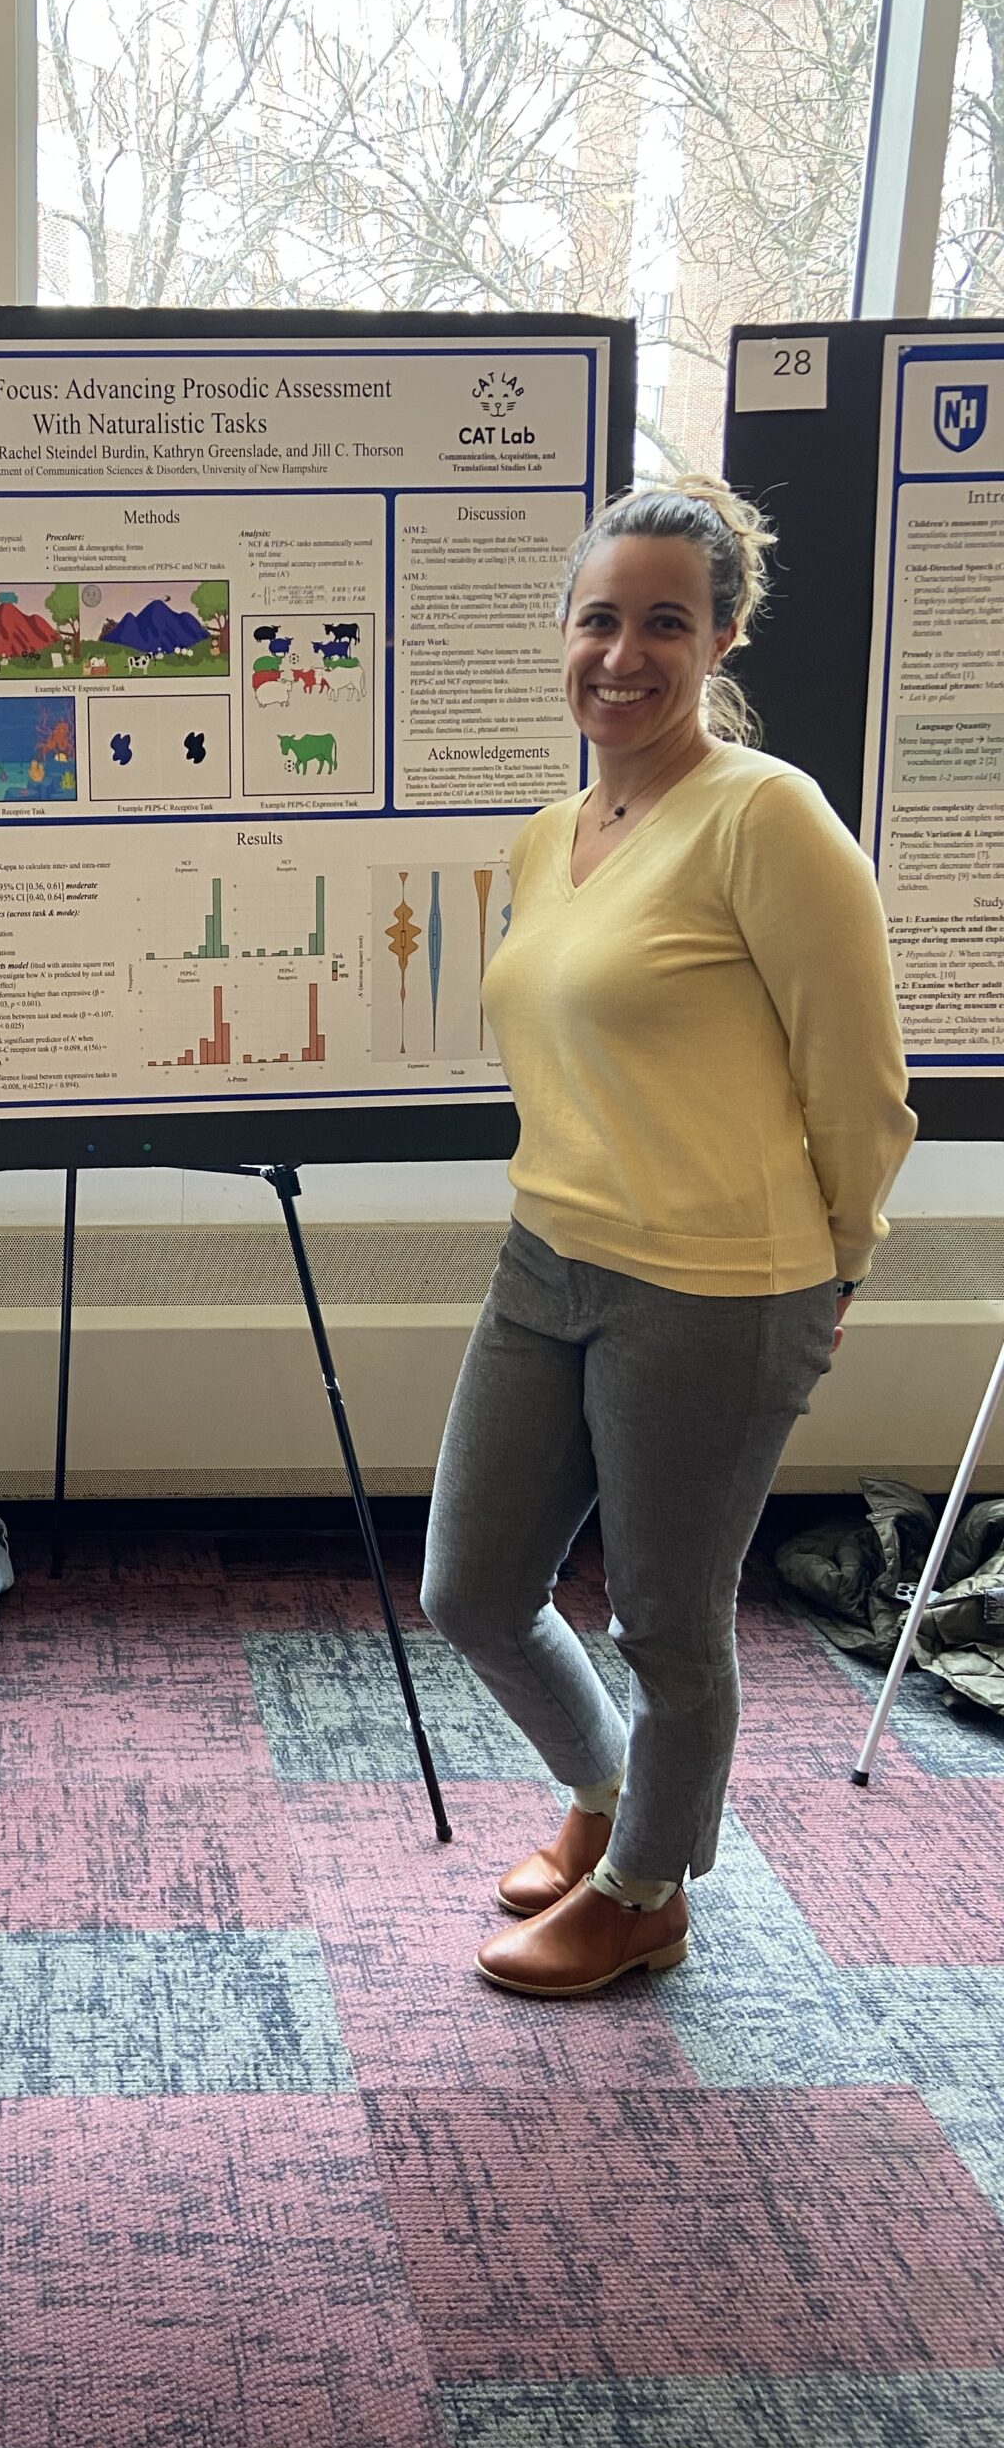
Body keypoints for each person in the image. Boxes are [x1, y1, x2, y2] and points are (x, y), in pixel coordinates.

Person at [420, 477, 915, 1999]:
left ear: (723, 639)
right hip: (547, 1253)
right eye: (599, 619)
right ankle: (603, 1792)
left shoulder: (767, 818)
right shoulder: (551, 834)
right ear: (564, 635)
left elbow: (863, 1081)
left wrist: (838, 1268)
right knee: (474, 1589)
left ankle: (646, 1887)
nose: (623, 655)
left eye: (664, 624)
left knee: (667, 1621)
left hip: (719, 1283)